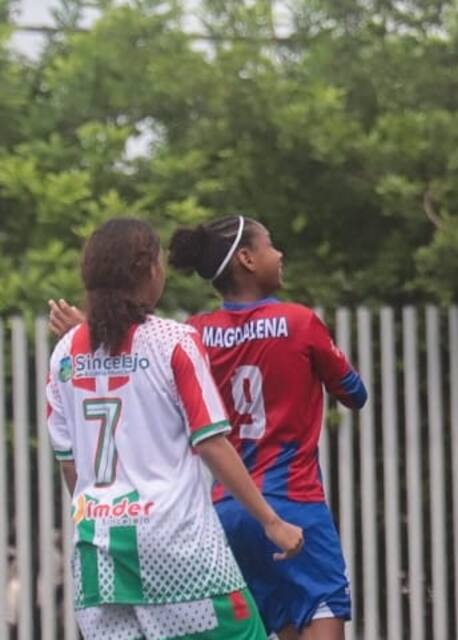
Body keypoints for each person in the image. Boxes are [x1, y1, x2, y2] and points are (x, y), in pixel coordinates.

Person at [53, 215, 367, 640]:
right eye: (271, 244)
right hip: (236, 519)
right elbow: (353, 394)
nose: (279, 253)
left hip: (109, 543)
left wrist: (86, 338)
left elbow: (73, 457)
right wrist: (272, 522)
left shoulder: (74, 353)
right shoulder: (193, 338)